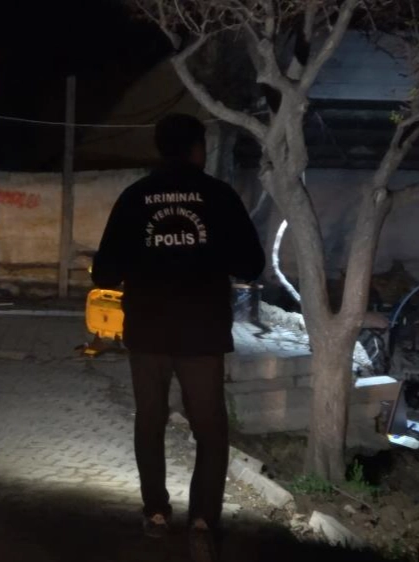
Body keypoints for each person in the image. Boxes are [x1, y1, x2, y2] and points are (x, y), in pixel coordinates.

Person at [91, 114, 265, 560]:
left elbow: (104, 273)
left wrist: (146, 261)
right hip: (201, 332)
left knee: (149, 422)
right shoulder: (219, 196)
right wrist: (208, 255)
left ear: (160, 148)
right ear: (197, 149)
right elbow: (251, 264)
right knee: (210, 429)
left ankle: (155, 514)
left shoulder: (134, 198)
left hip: (147, 330)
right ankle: (203, 522)